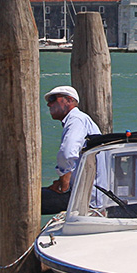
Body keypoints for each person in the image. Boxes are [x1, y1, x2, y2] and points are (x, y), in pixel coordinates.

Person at [41, 85, 100, 214]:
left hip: (86, 198)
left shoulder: (76, 120)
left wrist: (64, 180)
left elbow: (67, 153)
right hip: (90, 193)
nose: (49, 104)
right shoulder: (80, 120)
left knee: (23, 200)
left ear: (69, 100)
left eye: (52, 99)